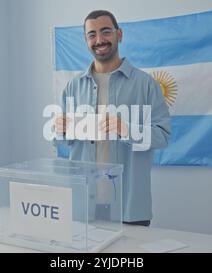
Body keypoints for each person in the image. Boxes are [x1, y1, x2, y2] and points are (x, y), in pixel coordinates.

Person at [53, 10, 171, 226]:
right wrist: (58, 129)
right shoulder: (72, 87)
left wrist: (126, 129)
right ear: (86, 40)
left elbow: (162, 136)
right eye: (92, 35)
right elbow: (60, 141)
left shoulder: (145, 84)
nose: (99, 40)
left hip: (130, 207)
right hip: (84, 205)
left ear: (119, 34)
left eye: (106, 32)